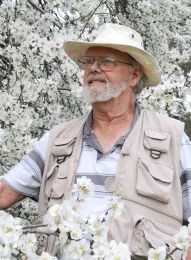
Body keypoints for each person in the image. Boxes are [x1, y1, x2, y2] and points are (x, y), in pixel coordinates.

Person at [0, 23, 191, 259]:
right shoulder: (57, 139)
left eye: (107, 61)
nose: (93, 68)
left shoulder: (172, 139)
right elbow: (4, 192)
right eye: (88, 62)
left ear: (135, 75)